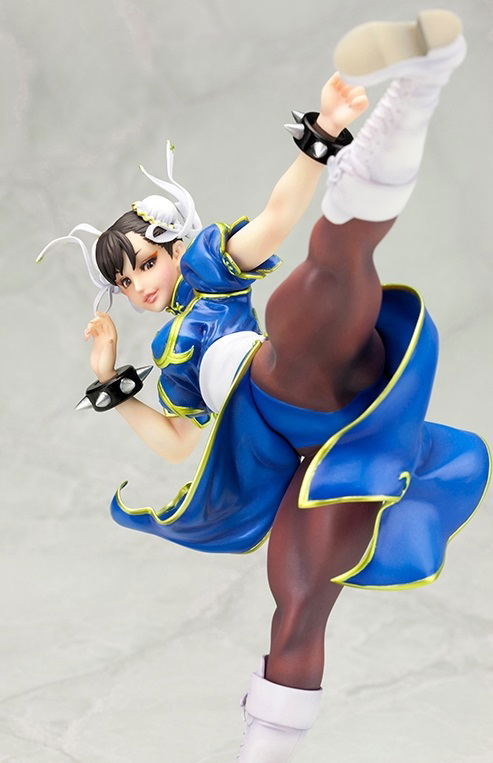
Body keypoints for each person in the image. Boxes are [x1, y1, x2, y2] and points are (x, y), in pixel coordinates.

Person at [36, 9, 491, 762]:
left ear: (174, 246)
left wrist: (322, 135)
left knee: (320, 283)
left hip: (292, 376)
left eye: (145, 262)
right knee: (298, 601)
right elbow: (178, 443)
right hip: (308, 458)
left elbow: (278, 219)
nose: (140, 285)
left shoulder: (212, 273)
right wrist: (113, 384)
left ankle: (420, 85)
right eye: (125, 281)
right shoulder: (171, 355)